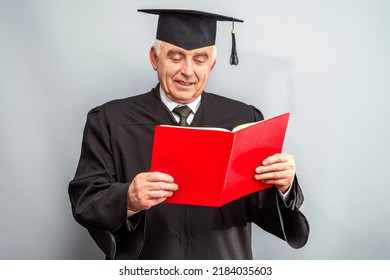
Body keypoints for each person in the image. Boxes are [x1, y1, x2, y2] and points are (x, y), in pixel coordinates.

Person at [68, 9, 309, 260]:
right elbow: (85, 201)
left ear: (212, 65)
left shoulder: (244, 119)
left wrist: (285, 186)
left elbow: (263, 207)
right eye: (175, 57)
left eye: (200, 59)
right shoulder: (111, 120)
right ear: (154, 58)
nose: (188, 71)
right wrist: (127, 198)